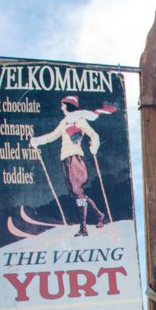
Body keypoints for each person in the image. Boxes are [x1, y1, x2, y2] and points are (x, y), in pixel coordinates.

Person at [29, 95, 116, 237]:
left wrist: (94, 147)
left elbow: (94, 135)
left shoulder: (80, 120)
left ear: (68, 106)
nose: (61, 107)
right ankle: (99, 215)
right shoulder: (64, 122)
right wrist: (37, 141)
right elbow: (52, 136)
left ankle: (83, 227)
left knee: (78, 193)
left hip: (76, 159)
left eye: (63, 105)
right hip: (65, 160)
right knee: (76, 194)